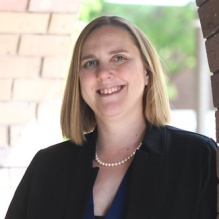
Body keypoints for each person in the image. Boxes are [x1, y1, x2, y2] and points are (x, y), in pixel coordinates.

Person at [5, 15, 217, 219]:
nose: (103, 73)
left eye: (119, 58)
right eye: (90, 62)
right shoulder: (48, 166)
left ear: (147, 72)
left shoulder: (196, 157)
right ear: (78, 81)